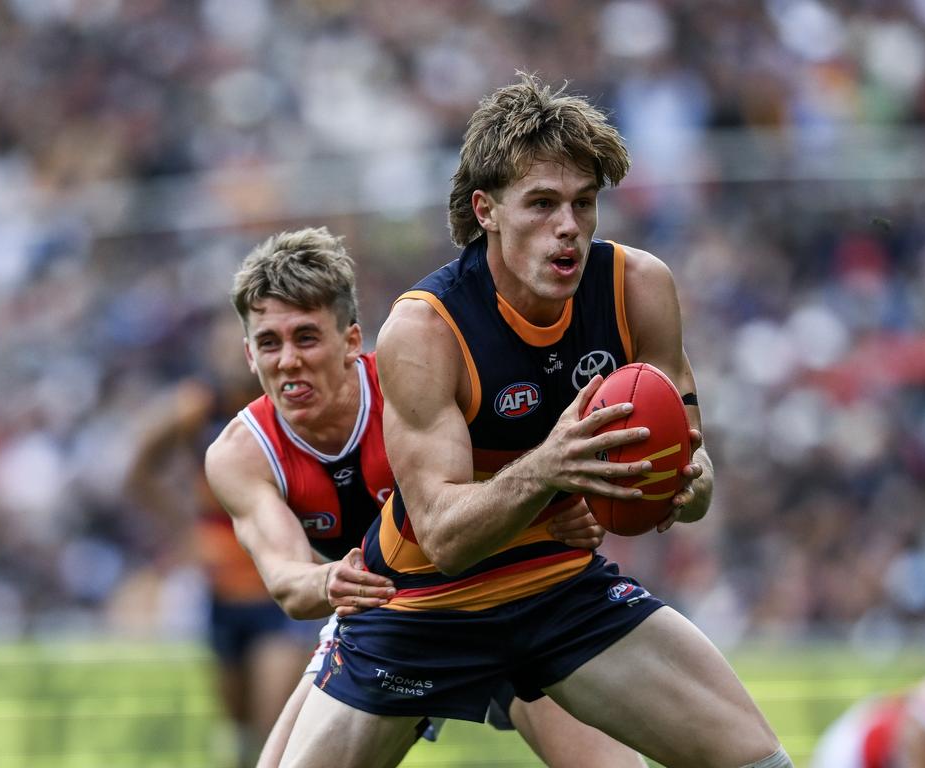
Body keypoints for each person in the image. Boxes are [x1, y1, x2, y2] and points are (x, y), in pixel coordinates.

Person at [279, 74, 791, 768]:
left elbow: (694, 491)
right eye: (543, 204)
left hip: (556, 587)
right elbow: (447, 537)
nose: (569, 227)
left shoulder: (639, 288)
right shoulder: (425, 328)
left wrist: (681, 482)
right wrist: (550, 467)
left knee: (761, 762)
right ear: (486, 210)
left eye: (584, 203)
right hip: (420, 604)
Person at [203, 226, 648, 767]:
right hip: (386, 626)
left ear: (350, 341)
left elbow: (526, 459)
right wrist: (328, 579)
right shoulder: (240, 454)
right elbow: (287, 583)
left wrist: (567, 510)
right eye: (269, 343)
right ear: (249, 354)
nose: (288, 360)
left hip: (502, 596)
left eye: (306, 337)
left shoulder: (410, 384)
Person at [125, 313, 314, 768]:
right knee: (239, 736)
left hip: (281, 590)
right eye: (223, 349)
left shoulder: (296, 407)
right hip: (221, 589)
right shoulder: (200, 406)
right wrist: (182, 528)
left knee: (276, 728)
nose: (233, 358)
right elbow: (139, 469)